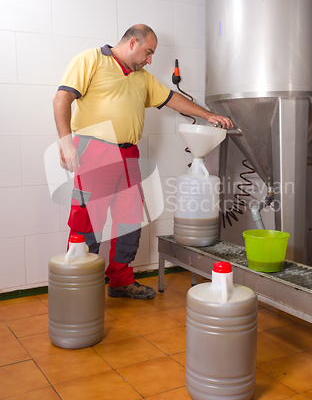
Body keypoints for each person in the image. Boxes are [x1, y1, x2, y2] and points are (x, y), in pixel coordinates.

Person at [53, 24, 233, 300]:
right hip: (95, 151)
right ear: (132, 43)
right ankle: (78, 287)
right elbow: (62, 97)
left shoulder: (142, 78)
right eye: (148, 52)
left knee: (130, 220)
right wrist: (66, 142)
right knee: (88, 220)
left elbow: (173, 99)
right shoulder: (91, 60)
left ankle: (120, 280)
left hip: (128, 155)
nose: (150, 60)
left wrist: (208, 115)